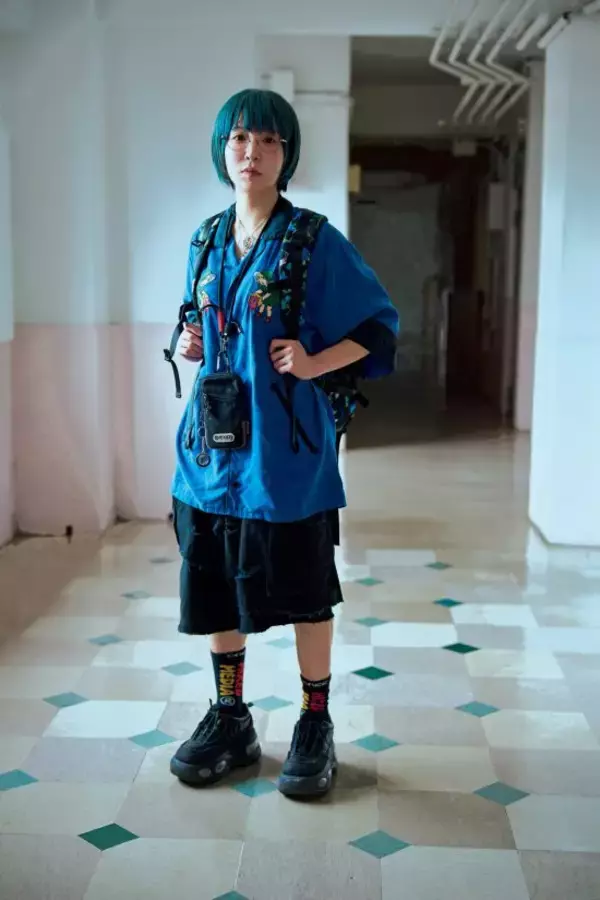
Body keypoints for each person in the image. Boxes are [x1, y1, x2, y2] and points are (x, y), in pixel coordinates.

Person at [168, 88, 399, 798]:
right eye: (240, 138)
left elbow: (377, 328)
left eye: (269, 140)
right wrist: (190, 342)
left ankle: (314, 721)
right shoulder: (204, 239)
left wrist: (313, 360)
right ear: (222, 150)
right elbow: (199, 320)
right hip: (211, 454)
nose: (253, 152)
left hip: (287, 457)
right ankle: (230, 716)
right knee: (213, 587)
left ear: (286, 155)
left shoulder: (312, 240)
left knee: (304, 592)